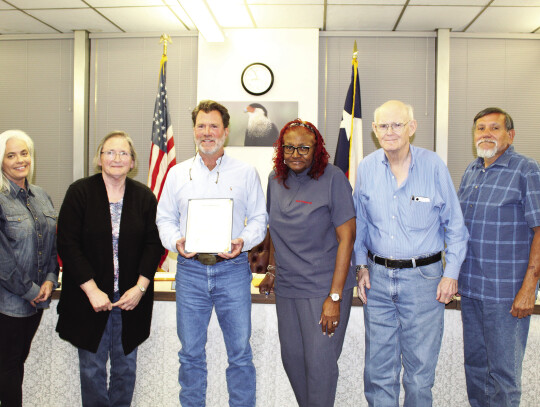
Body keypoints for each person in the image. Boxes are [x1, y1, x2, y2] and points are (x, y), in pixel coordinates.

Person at [354, 100, 469, 407]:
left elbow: (456, 227)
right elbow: (360, 223)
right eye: (383, 126)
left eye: (397, 125)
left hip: (424, 281)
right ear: (374, 131)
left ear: (412, 128)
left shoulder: (433, 167)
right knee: (378, 373)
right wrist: (360, 265)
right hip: (376, 281)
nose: (389, 132)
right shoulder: (366, 168)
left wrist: (451, 274)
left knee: (419, 376)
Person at [156, 100, 267, 407]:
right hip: (190, 272)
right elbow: (163, 218)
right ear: (194, 131)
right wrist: (175, 241)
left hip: (232, 271)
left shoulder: (245, 173)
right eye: (201, 126)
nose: (207, 133)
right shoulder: (177, 174)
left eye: (214, 126)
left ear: (226, 132)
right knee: (190, 354)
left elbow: (260, 219)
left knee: (240, 354)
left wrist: (242, 241)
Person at [56, 131, 163, 406]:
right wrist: (92, 291)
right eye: (110, 152)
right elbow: (67, 243)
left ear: (132, 161)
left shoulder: (144, 197)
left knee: (125, 371)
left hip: (130, 302)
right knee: (91, 371)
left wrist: (140, 288)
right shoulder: (80, 192)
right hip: (89, 301)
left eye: (123, 153)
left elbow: (155, 244)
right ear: (100, 158)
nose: (117, 158)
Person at [258, 119, 356, 407]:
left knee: (320, 367)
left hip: (323, 287)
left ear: (317, 149)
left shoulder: (333, 178)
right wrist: (272, 270)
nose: (296, 154)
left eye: (304, 147)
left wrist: (334, 296)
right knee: (293, 361)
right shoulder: (275, 179)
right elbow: (274, 229)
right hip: (288, 287)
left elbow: (347, 239)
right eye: (289, 147)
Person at [458, 107, 540, 407]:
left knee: (504, 376)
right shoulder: (472, 171)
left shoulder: (526, 170)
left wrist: (529, 289)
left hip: (506, 295)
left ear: (510, 135)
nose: (486, 134)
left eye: (494, 128)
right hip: (471, 290)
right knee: (476, 369)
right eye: (480, 128)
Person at [0, 130, 59, 407]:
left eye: (24, 153)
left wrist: (50, 279)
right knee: (9, 369)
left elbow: (52, 245)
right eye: (11, 155)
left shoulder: (42, 196)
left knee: (15, 365)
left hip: (35, 303)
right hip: (7, 303)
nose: (19, 160)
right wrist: (30, 290)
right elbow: (2, 259)